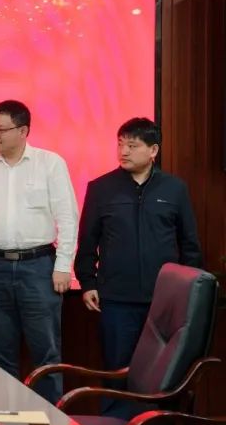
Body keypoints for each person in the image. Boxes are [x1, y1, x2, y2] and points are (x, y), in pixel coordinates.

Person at [0, 100, 78, 403]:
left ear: (23, 130)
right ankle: (4, 418)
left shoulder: (50, 163)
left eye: (1, 129)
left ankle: (51, 422)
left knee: (46, 352)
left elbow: (67, 217)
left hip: (39, 265)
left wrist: (63, 265)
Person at [75, 117, 202, 373]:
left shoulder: (175, 188)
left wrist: (189, 291)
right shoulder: (101, 188)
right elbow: (87, 240)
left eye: (132, 146)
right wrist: (88, 282)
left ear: (153, 150)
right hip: (116, 298)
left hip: (164, 298)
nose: (123, 151)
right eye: (120, 144)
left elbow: (189, 244)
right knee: (117, 370)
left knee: (163, 372)